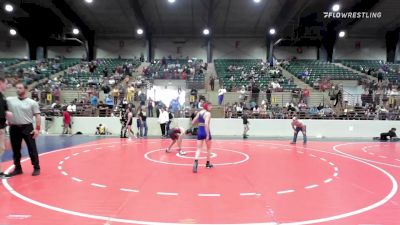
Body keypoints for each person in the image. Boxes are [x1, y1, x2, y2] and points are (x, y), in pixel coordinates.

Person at [7, 82, 41, 176]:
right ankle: (18, 168)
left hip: (27, 127)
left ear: (25, 90)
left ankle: (36, 167)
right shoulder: (10, 100)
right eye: (17, 88)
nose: (18, 89)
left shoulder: (32, 103)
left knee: (32, 148)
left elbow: (37, 116)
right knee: (16, 149)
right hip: (14, 128)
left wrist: (37, 129)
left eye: (20, 88)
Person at [191, 102, 213, 173]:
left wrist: (199, 123)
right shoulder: (208, 113)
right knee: (208, 149)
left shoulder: (199, 113)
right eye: (210, 106)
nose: (211, 107)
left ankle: (195, 161)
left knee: (198, 149)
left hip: (200, 131)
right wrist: (207, 135)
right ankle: (208, 164)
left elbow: (193, 122)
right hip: (206, 131)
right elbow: (206, 124)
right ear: (207, 106)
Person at [0, 77, 12, 179]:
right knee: (1, 148)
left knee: (1, 148)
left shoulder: (2, 96)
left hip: (2, 126)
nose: (7, 86)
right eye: (6, 83)